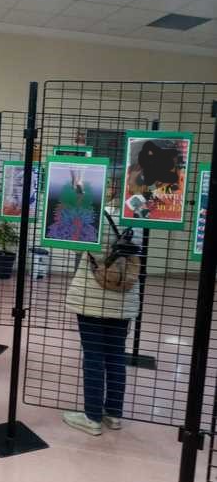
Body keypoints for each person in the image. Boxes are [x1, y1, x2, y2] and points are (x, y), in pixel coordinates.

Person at [63, 180, 142, 436]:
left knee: (94, 354)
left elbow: (80, 245)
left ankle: (92, 417)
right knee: (117, 355)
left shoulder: (93, 216)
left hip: (91, 296)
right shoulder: (138, 219)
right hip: (124, 296)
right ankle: (114, 414)